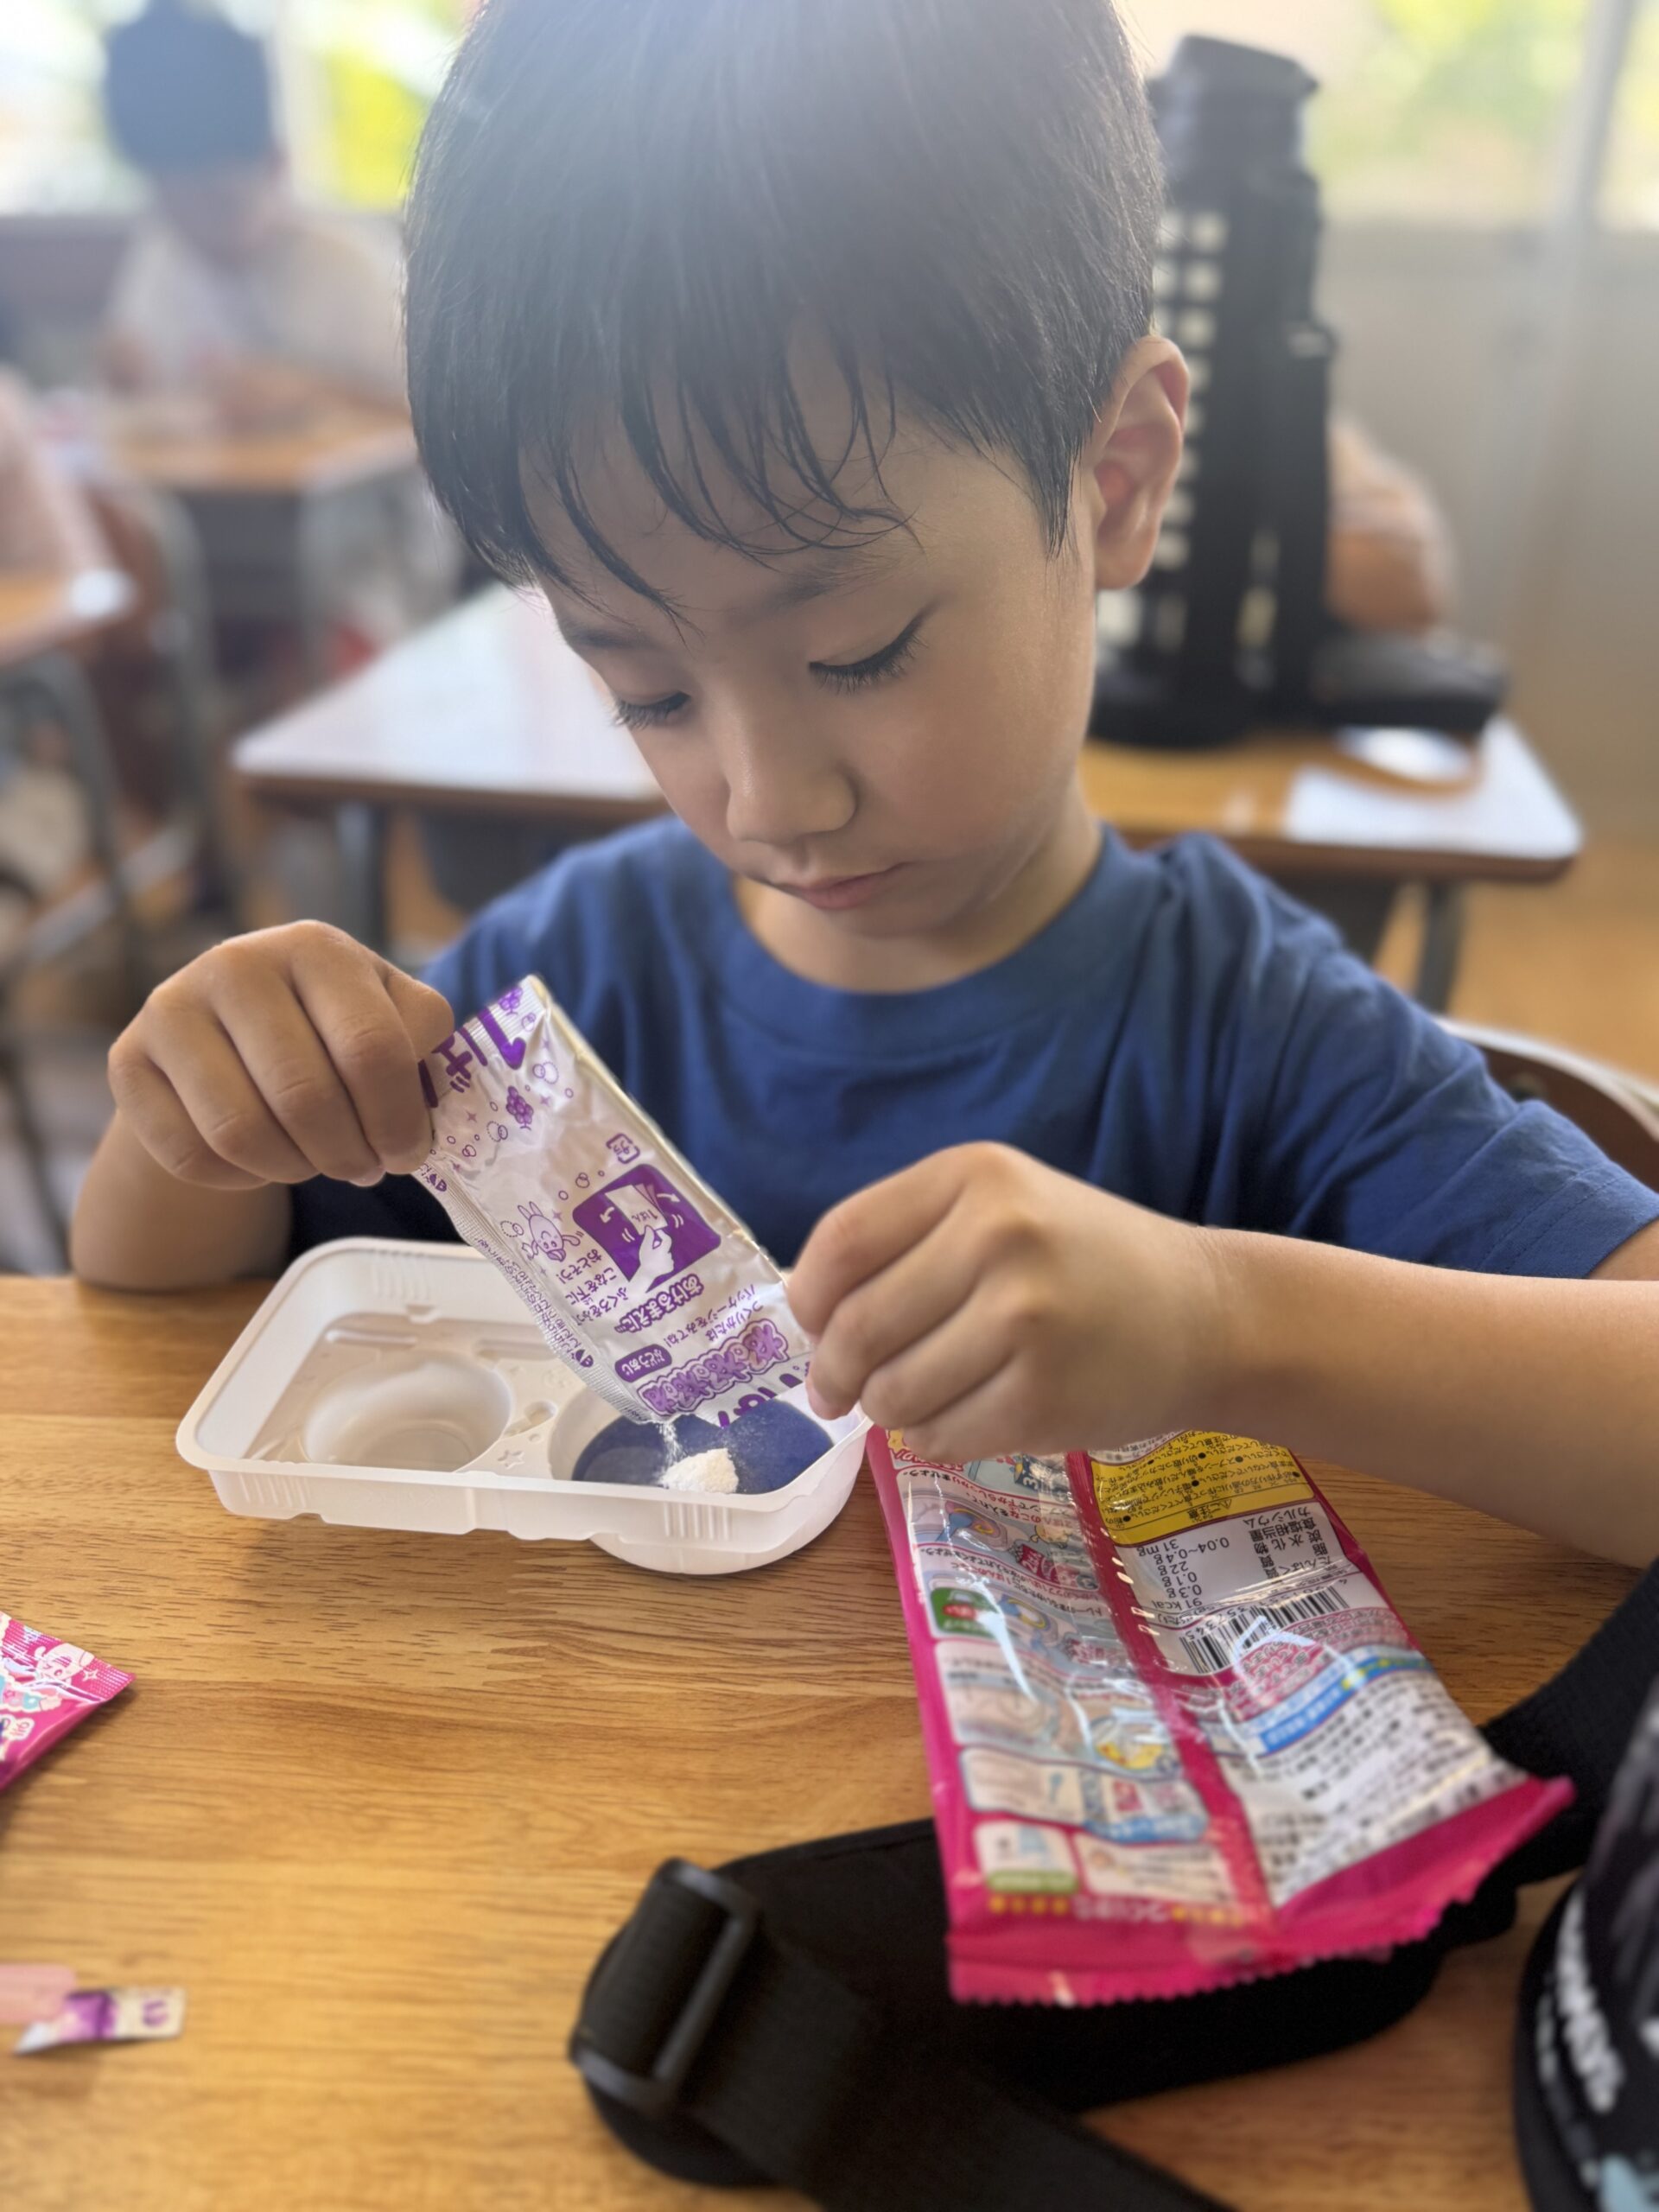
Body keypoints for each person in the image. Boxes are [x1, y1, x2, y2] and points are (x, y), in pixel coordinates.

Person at [72, 0, 1659, 1567]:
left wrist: (1224, 1321)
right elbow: (156, 1326)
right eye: (649, 689)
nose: (769, 802)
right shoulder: (566, 981)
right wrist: (191, 1122)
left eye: (860, 653)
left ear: (1114, 483)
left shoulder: (1254, 1033)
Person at [99, 0, 404, 424]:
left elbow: (424, 419)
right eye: (178, 208)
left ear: (277, 164)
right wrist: (124, 380)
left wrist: (310, 392)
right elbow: (134, 389)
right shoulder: (162, 257)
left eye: (220, 204)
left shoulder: (349, 265)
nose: (202, 229)